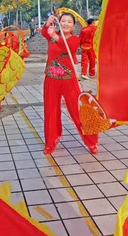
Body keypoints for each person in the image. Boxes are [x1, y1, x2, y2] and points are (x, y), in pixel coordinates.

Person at [42, 13, 98, 155]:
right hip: (51, 80)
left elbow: (65, 47)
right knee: (51, 111)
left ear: (73, 26)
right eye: (63, 21)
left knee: (77, 111)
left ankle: (91, 142)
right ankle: (50, 142)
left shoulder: (75, 40)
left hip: (69, 80)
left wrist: (54, 35)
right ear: (59, 22)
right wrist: (48, 23)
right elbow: (44, 32)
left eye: (69, 22)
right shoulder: (52, 36)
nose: (66, 24)